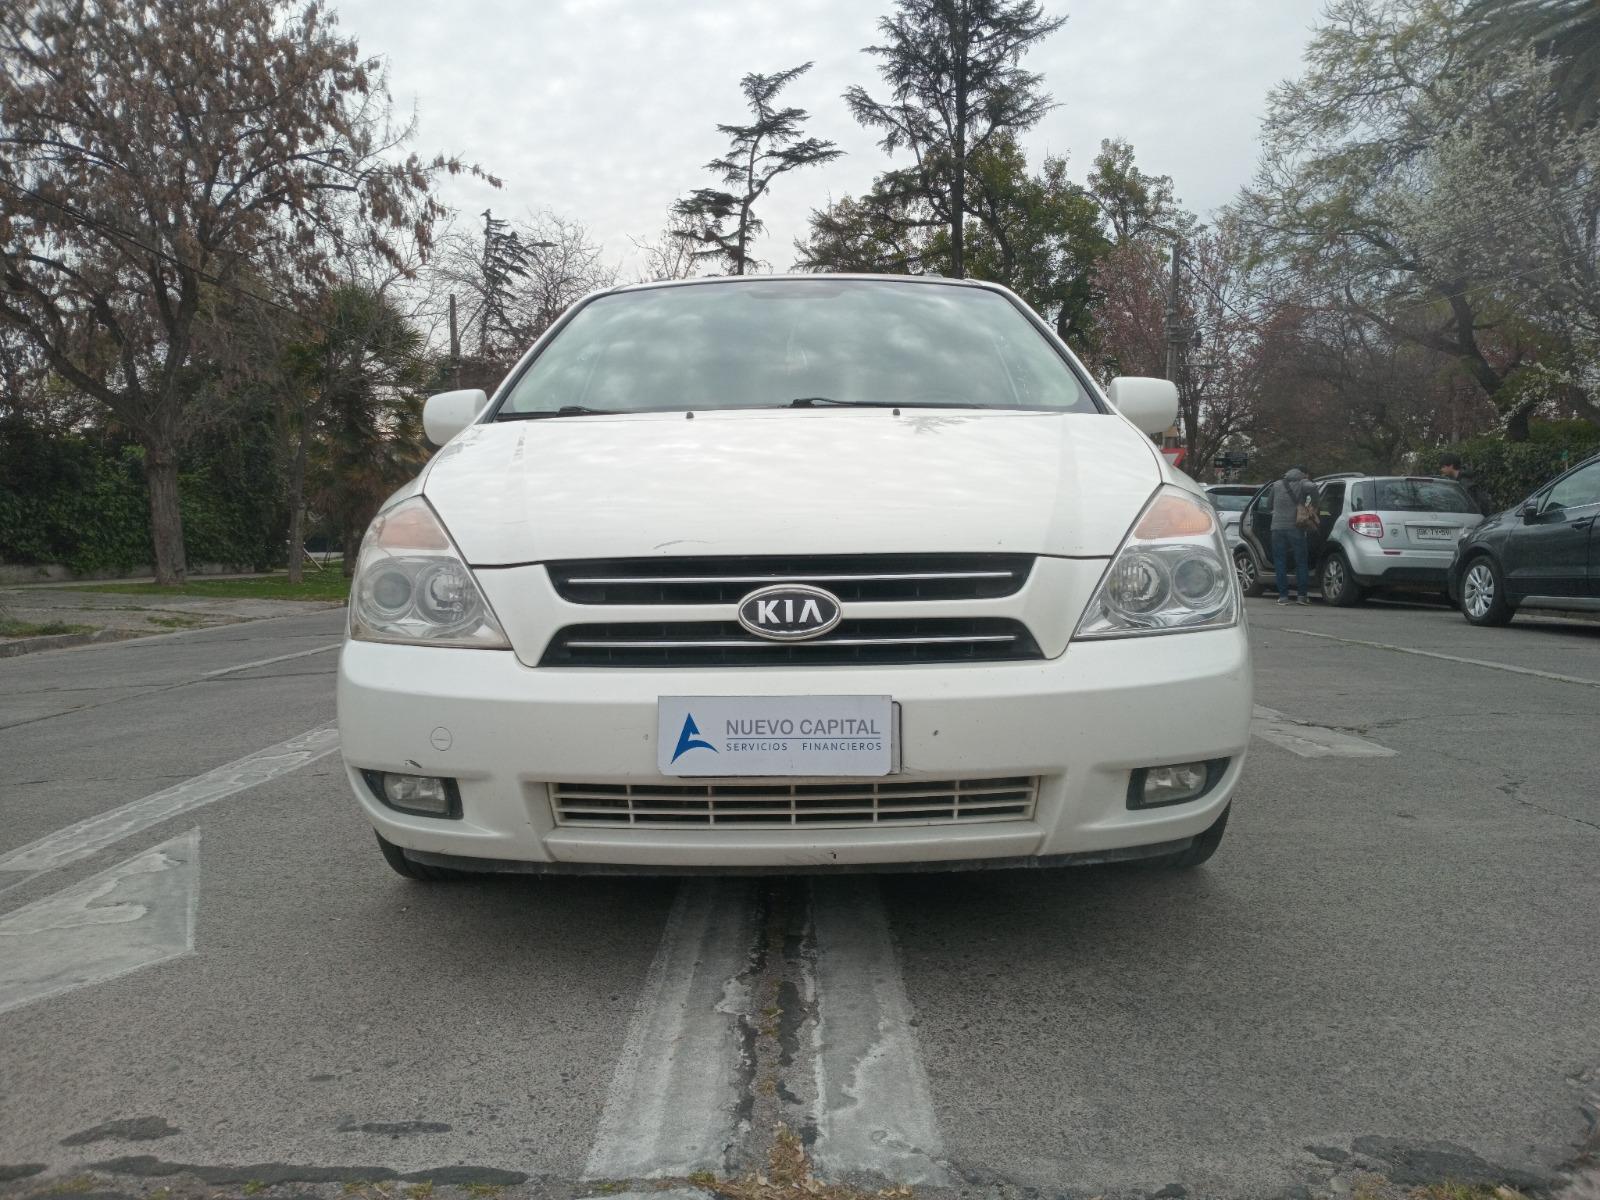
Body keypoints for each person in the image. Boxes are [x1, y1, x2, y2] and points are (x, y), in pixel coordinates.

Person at [1269, 466, 1317, 605]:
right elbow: (1313, 487)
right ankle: (1302, 596)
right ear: (1302, 474)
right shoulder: (1303, 483)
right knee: (1301, 561)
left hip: (1277, 528)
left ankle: (1283, 596)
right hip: (1296, 527)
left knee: (1280, 562)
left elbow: (1268, 504)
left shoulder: (1276, 484)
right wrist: (1313, 505)